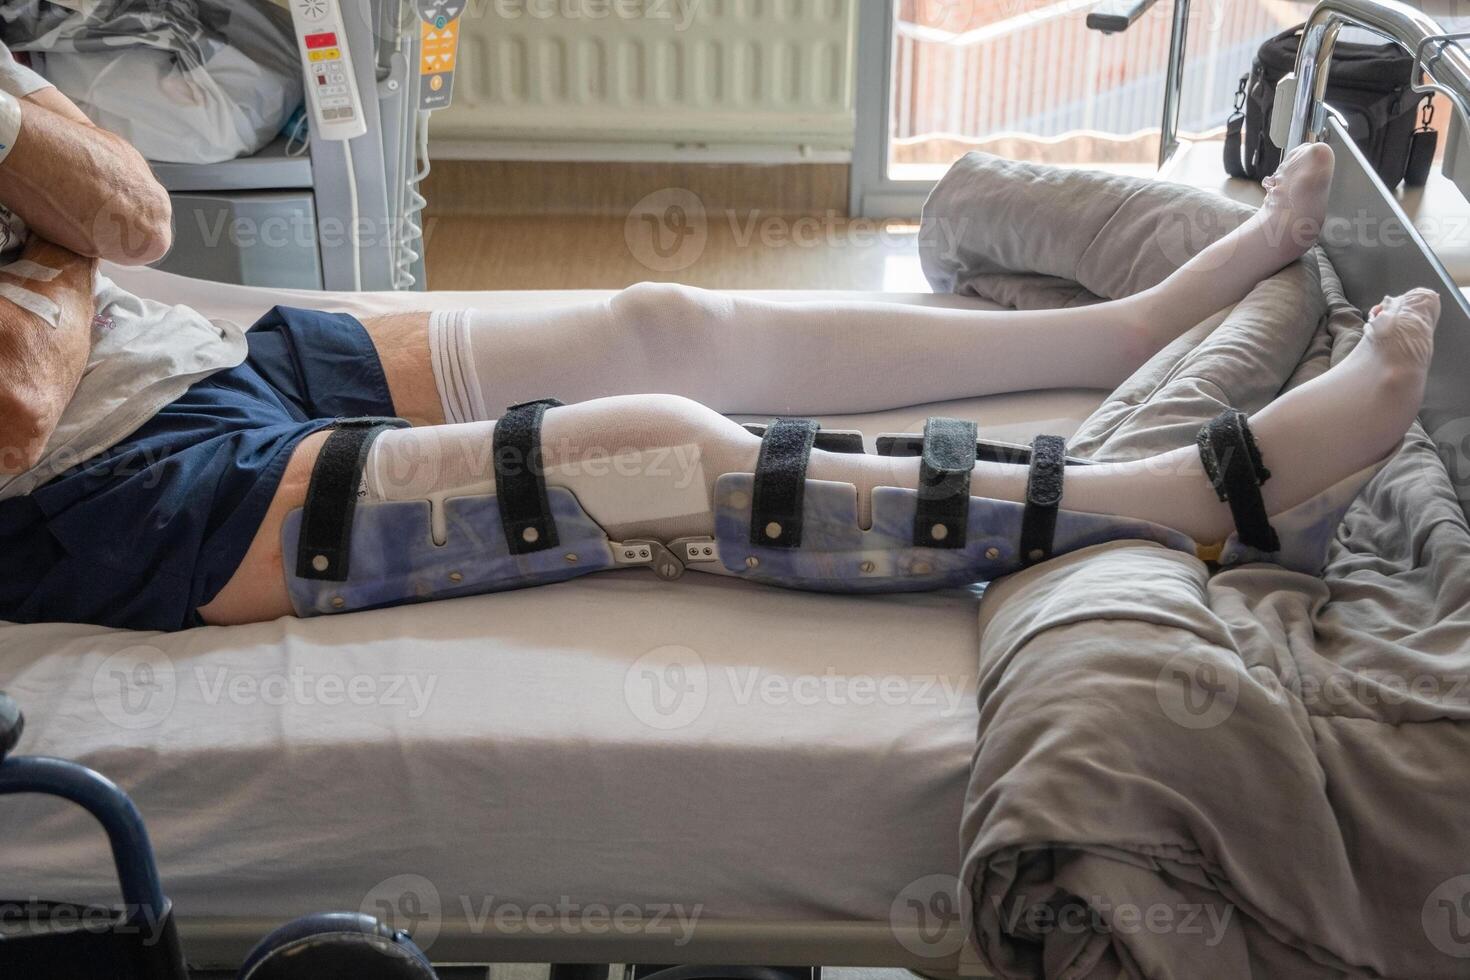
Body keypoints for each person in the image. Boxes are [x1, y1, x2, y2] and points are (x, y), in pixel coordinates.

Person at [0, 44, 1441, 631]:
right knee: (647, 459)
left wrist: (36, 211)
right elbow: (13, 412)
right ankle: (1185, 495)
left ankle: (1130, 322)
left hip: (197, 354)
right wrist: (47, 250)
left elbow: (132, 218)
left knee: (662, 322)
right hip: (98, 503)